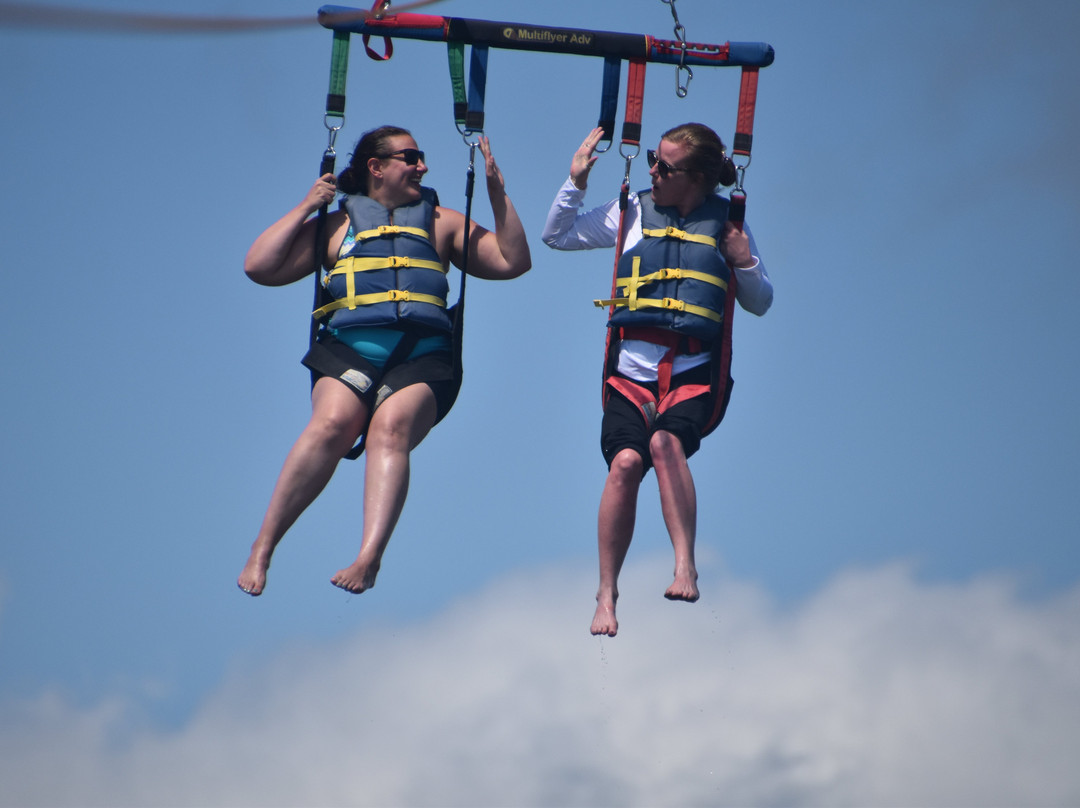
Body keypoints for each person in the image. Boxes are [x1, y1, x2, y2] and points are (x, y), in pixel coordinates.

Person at [238, 125, 531, 596]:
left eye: (422, 158)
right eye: (410, 157)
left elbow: (512, 261)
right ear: (376, 168)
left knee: (389, 430)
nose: (423, 166)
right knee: (332, 424)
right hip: (349, 351)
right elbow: (259, 267)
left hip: (423, 358)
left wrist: (498, 193)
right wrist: (307, 206)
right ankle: (263, 547)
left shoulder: (443, 222)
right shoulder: (336, 227)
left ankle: (369, 556)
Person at [541, 123, 773, 636]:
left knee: (666, 444)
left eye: (664, 167)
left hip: (693, 375)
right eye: (652, 159)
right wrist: (575, 181)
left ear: (694, 178)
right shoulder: (632, 213)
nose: (653, 171)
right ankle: (606, 595)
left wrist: (745, 262)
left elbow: (759, 302)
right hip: (631, 375)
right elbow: (557, 234)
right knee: (625, 463)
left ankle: (685, 566)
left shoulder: (728, 224)